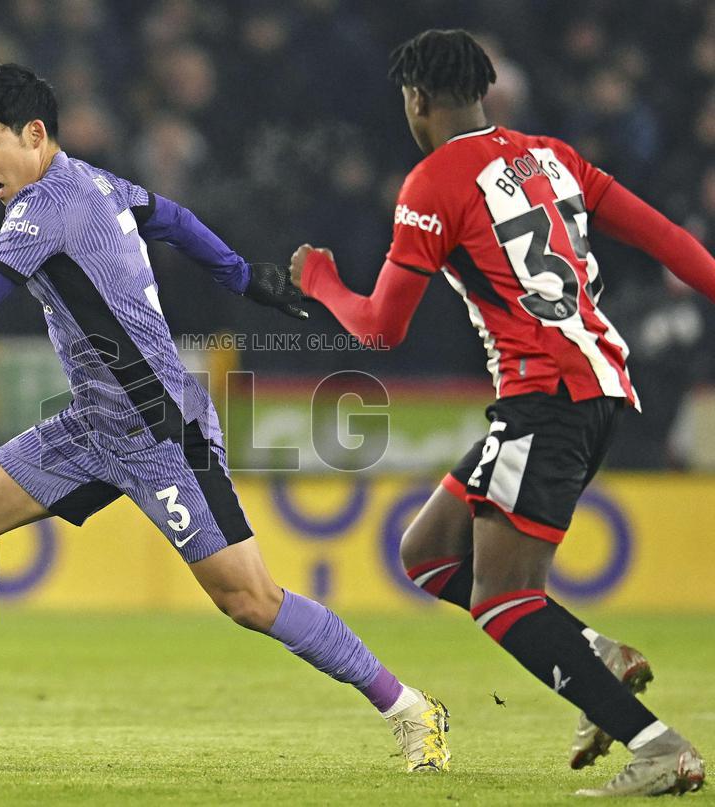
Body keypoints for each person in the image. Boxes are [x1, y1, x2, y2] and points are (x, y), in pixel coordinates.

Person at [0, 63, 451, 773]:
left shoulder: (43, 209)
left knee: (250, 599)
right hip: (96, 424)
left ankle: (411, 708)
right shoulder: (97, 183)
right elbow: (172, 218)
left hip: (163, 433)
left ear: (34, 134)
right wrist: (243, 276)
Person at [289, 29, 712, 798]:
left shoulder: (432, 182)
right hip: (599, 385)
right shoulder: (553, 156)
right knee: (428, 553)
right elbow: (670, 240)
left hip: (545, 398)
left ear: (416, 99)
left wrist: (319, 280)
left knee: (503, 598)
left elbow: (381, 327)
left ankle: (657, 747)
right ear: (484, 90)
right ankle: (595, 652)